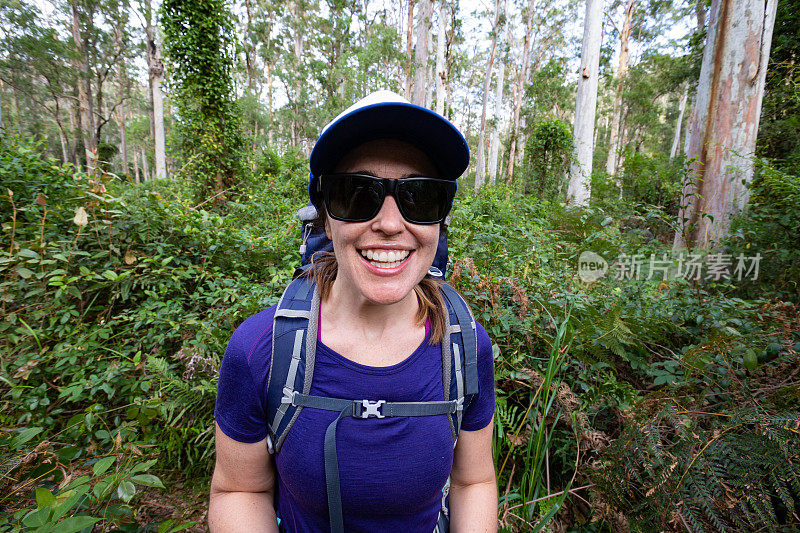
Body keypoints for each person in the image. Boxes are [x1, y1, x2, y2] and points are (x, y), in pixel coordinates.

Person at [209, 91, 497, 533]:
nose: (388, 223)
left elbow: (473, 480)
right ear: (325, 217)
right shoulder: (260, 351)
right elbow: (239, 490)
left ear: (441, 223)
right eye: (357, 194)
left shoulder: (465, 347)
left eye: (419, 197)